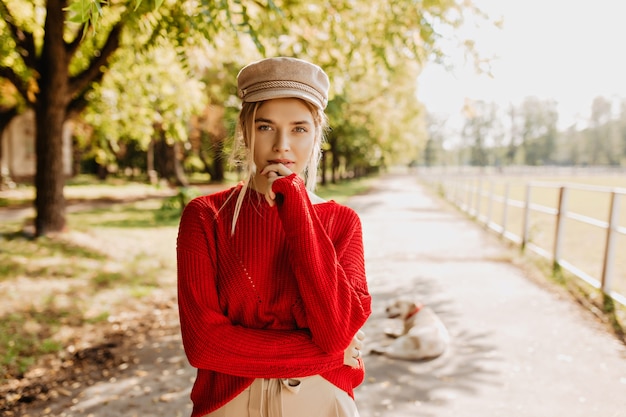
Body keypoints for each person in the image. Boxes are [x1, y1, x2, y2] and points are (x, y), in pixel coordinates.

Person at [176, 56, 372, 417]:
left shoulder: (342, 223)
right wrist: (326, 355)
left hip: (322, 402)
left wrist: (294, 201)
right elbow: (204, 345)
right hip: (227, 404)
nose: (282, 145)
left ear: (316, 136)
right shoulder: (206, 217)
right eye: (266, 127)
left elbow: (337, 329)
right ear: (245, 131)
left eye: (299, 129)